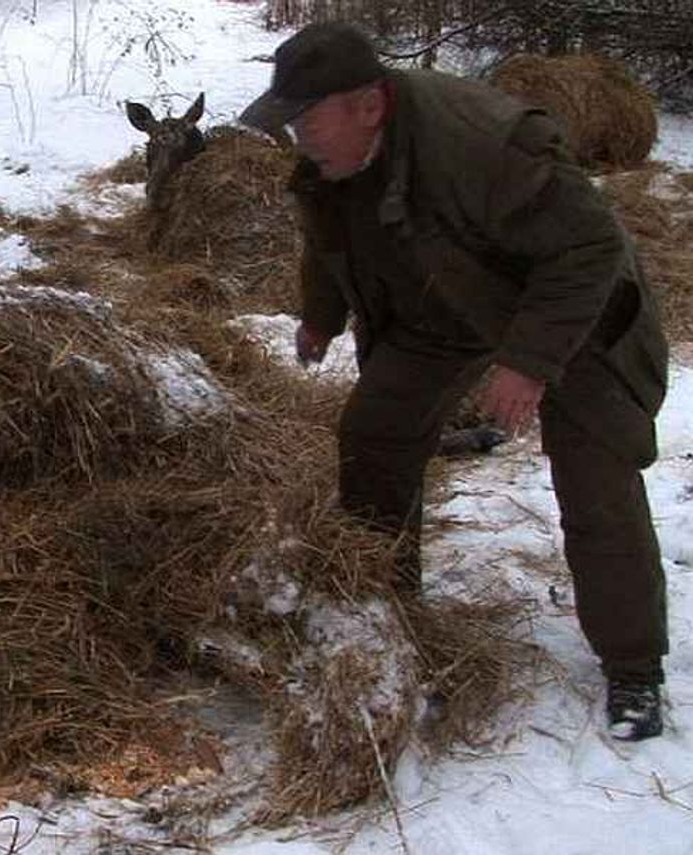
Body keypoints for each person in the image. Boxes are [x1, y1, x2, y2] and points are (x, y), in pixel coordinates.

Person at [240, 22, 669, 741]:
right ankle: (385, 612)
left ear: (369, 105)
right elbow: (329, 235)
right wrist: (321, 316)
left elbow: (590, 247)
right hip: (446, 300)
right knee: (375, 431)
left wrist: (529, 361)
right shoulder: (331, 157)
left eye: (307, 119)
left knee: (597, 481)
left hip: (576, 311)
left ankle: (633, 664)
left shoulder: (489, 143)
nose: (299, 137)